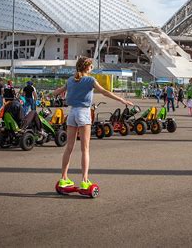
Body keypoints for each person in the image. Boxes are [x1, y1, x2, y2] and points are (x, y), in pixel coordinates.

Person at [53, 57, 133, 190]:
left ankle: (64, 178)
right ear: (87, 68)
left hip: (71, 113)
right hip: (83, 113)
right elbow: (104, 92)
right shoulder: (90, 80)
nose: (92, 69)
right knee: (85, 149)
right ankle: (85, 180)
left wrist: (48, 95)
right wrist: (121, 100)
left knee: (69, 148)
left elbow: (58, 91)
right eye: (91, 67)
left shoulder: (70, 80)